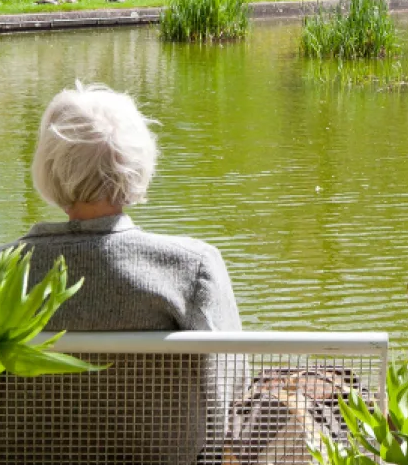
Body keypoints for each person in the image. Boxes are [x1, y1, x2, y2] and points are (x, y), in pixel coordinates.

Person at [12, 83, 240, 332]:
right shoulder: (193, 268)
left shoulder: (2, 273)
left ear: (48, 168)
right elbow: (229, 368)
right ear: (137, 163)